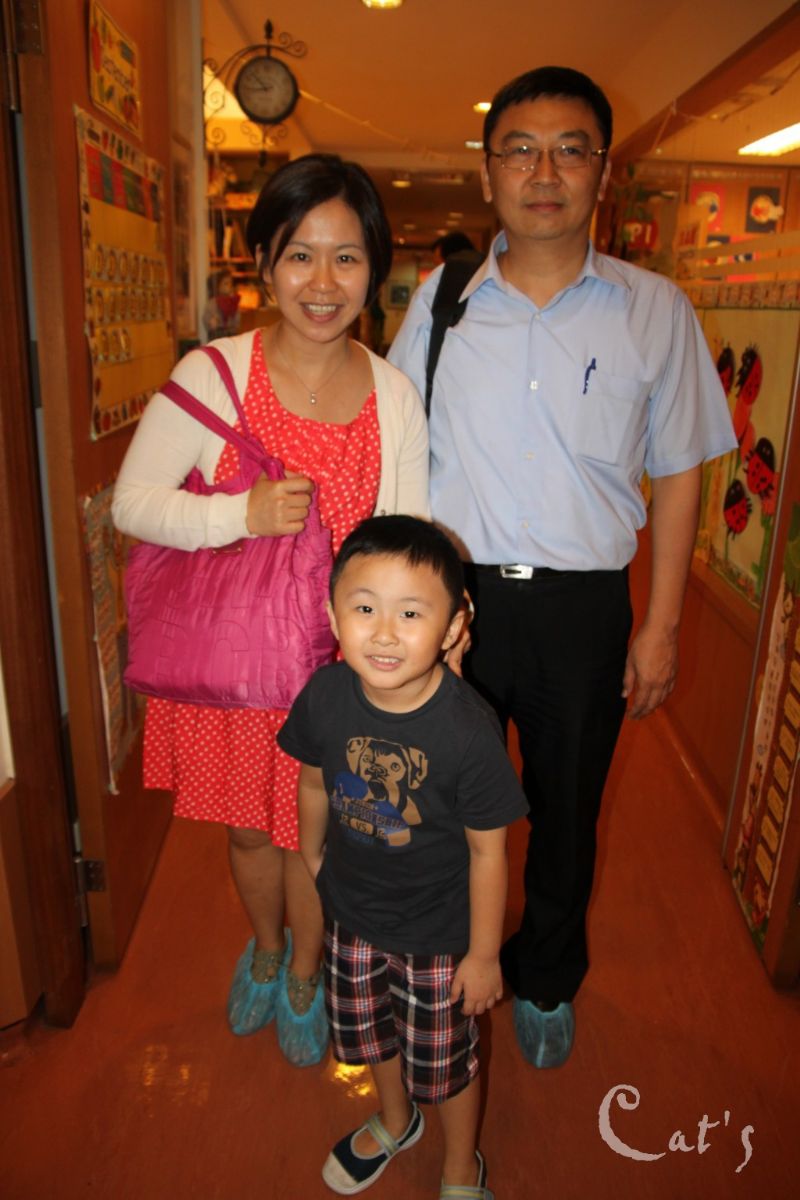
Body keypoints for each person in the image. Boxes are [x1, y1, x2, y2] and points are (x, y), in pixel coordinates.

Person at [389, 67, 737, 1070]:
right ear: (487, 171)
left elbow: (678, 473)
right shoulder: (441, 303)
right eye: (519, 150)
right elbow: (396, 448)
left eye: (569, 149)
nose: (543, 172)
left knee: (567, 811)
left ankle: (545, 977)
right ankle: (441, 964)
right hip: (452, 606)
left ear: (602, 171)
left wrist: (659, 625)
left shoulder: (654, 310)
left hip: (584, 609)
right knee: (436, 802)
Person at [113, 154, 430, 1067]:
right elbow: (132, 503)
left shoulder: (394, 395)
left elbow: (409, 539)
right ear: (263, 263)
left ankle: (304, 973)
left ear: (374, 268)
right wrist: (237, 516)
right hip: (239, 669)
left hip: (340, 675)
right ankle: (264, 948)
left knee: (323, 844)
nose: (322, 283)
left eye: (347, 258)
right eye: (299, 255)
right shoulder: (214, 373)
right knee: (252, 833)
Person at [277, 515, 527, 1198]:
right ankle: (395, 1119)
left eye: (411, 613)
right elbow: (312, 781)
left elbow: (489, 852)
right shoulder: (326, 695)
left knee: (446, 1064)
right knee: (369, 1035)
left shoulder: (468, 732)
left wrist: (483, 955)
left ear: (453, 626)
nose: (385, 633)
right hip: (352, 916)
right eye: (364, 609)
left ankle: (460, 1165)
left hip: (438, 937)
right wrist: (311, 854)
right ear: (333, 613)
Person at [202, 268, 241, 340]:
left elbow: (237, 322)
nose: (229, 286)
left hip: (231, 335)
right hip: (217, 336)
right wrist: (210, 322)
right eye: (225, 284)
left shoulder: (233, 302)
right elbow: (206, 318)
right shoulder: (213, 303)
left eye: (230, 283)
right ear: (218, 286)